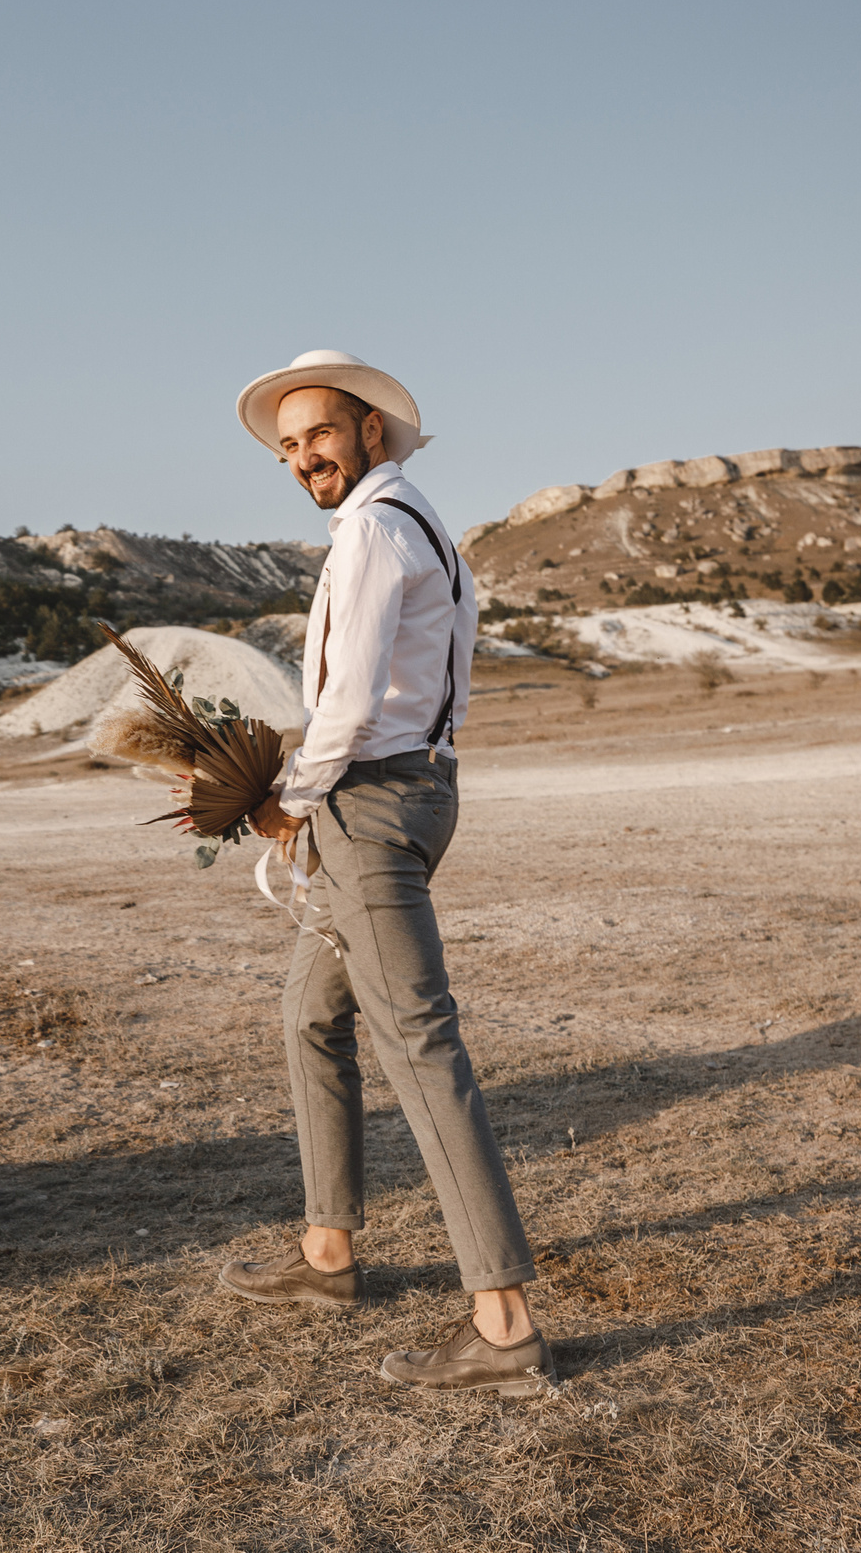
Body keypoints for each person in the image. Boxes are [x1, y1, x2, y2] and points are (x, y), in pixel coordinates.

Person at [217, 350, 554, 1397]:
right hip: (407, 790)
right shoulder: (419, 524)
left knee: (418, 1045)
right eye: (286, 445)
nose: (301, 455)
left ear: (370, 428)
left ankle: (502, 1326)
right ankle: (328, 1259)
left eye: (317, 432)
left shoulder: (371, 527)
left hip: (369, 801)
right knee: (310, 1016)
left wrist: (288, 798)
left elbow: (351, 706)